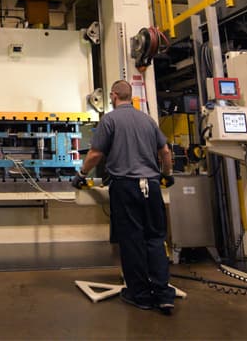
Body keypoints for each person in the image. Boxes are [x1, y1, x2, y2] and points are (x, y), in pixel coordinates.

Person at [72, 79, 175, 313]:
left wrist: (81, 174)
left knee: (132, 241)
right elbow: (165, 151)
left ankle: (139, 294)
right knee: (156, 239)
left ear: (113, 96)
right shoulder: (148, 120)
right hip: (151, 185)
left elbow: (96, 153)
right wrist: (166, 175)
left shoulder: (110, 120)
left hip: (126, 187)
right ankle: (163, 293)